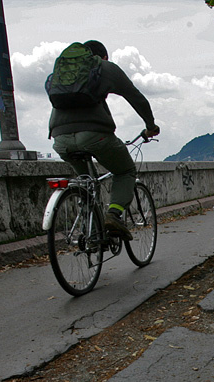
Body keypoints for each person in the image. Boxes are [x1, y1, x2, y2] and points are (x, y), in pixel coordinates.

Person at [48, 40, 160, 240]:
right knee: (125, 171)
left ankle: (91, 234)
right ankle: (113, 215)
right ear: (103, 57)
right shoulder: (105, 68)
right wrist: (150, 126)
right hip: (95, 136)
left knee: (86, 184)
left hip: (60, 138)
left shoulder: (63, 74)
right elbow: (137, 98)